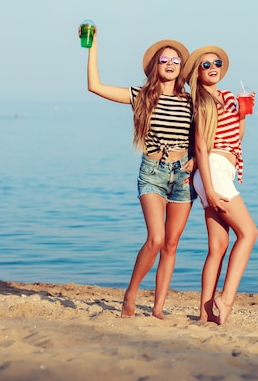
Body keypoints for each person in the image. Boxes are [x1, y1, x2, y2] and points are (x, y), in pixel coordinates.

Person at [84, 29, 196, 319]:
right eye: (163, 59)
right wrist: (92, 47)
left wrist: (195, 161)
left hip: (182, 177)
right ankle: (131, 292)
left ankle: (158, 307)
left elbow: (205, 137)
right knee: (156, 239)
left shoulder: (191, 101)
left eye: (175, 60)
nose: (170, 64)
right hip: (152, 173)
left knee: (172, 244)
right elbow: (94, 86)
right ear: (155, 66)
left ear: (181, 67)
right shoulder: (141, 96)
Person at [183, 46, 258, 324]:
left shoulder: (227, 97)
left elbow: (236, 139)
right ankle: (224, 300)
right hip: (212, 171)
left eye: (216, 63)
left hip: (219, 170)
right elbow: (202, 148)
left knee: (218, 246)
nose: (212, 67)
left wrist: (243, 112)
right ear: (197, 73)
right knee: (249, 234)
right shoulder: (201, 101)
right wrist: (211, 190)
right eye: (205, 65)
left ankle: (205, 315)